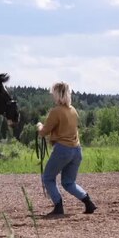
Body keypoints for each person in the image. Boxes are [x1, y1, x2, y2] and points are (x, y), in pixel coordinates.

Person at [36, 81, 96, 215]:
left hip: (63, 150)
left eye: (53, 93)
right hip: (77, 150)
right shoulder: (73, 110)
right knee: (69, 182)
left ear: (57, 94)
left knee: (48, 178)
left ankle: (58, 206)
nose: (52, 96)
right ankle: (88, 202)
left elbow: (43, 132)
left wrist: (39, 126)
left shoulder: (55, 111)